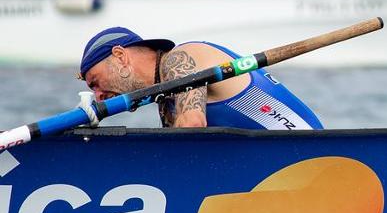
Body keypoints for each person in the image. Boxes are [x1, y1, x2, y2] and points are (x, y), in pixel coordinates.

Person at [78, 27, 322, 129]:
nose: (99, 96)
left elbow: (193, 124)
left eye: (96, 82)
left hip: (315, 163)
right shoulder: (165, 101)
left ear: (120, 57)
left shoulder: (180, 59)